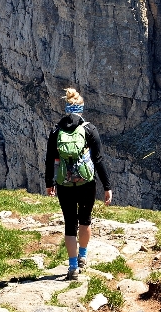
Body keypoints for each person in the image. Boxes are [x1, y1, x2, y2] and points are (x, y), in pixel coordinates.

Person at [45, 87, 112, 280]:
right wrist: (107, 186)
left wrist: (49, 183)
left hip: (64, 185)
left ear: (66, 109)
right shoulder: (89, 129)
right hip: (86, 183)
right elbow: (98, 160)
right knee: (85, 220)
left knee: (69, 224)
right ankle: (83, 257)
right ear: (81, 109)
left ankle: (72, 267)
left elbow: (50, 159)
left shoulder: (56, 131)